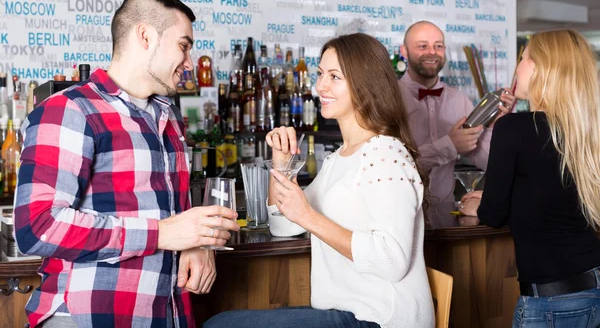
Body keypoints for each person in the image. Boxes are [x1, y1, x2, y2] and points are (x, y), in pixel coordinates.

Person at [14, 0, 239, 328]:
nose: (190, 63)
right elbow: (38, 227)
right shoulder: (71, 110)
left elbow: (171, 215)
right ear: (145, 36)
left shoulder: (169, 117)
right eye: (184, 46)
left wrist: (195, 244)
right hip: (88, 316)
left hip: (166, 313)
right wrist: (161, 234)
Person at [203, 33, 434, 328]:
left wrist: (309, 217)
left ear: (366, 84)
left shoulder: (385, 153)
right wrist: (281, 161)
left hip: (380, 319)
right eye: (321, 74)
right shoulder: (339, 158)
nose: (321, 86)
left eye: (335, 76)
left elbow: (392, 260)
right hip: (347, 313)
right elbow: (283, 224)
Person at [460, 29, 600, 327]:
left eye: (523, 58)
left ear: (540, 68)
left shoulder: (514, 128)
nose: (518, 67)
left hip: (551, 300)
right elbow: (551, 196)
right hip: (593, 285)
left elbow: (493, 214)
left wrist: (479, 206)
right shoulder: (587, 129)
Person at [398, 20, 515, 227]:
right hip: (400, 215)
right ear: (404, 51)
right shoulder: (389, 99)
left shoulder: (460, 100)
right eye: (422, 46)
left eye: (439, 45)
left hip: (446, 217)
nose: (432, 52)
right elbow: (395, 164)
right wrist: (450, 146)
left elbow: (483, 161)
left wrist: (494, 125)